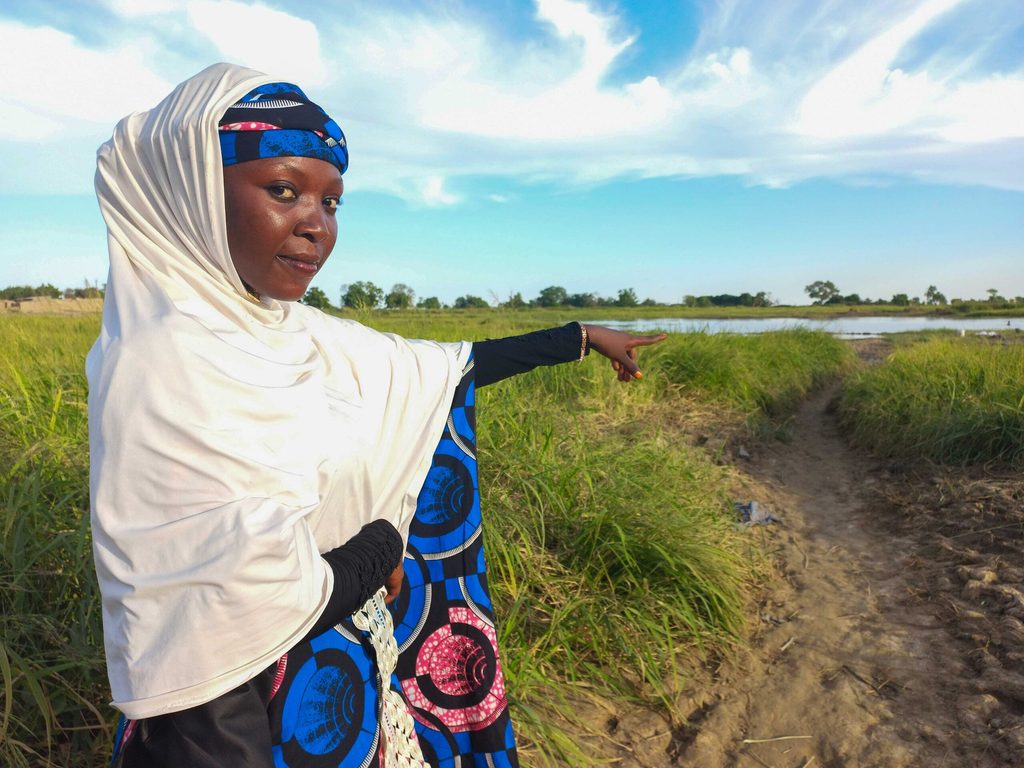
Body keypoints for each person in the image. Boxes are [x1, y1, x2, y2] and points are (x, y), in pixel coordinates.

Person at [88, 63, 666, 767]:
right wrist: (381, 548)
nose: (315, 227)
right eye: (283, 191)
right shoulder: (165, 363)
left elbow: (439, 367)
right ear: (194, 194)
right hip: (228, 729)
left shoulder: (293, 333)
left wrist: (577, 338)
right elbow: (247, 600)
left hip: (336, 687)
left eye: (331, 203)